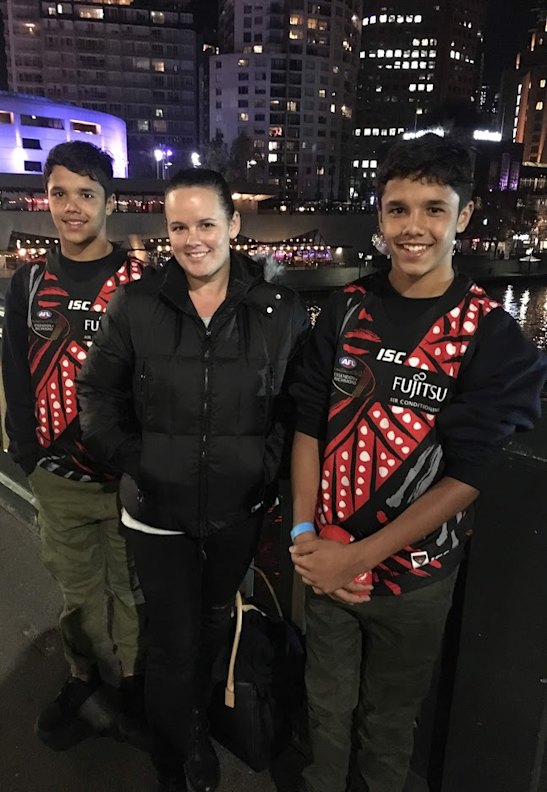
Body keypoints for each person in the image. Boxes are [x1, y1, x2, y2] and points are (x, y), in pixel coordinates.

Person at [289, 133, 547, 792]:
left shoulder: (491, 333)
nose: (413, 227)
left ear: (464, 215)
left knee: (388, 723)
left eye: (434, 209)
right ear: (379, 216)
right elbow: (307, 424)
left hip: (416, 579)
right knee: (323, 709)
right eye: (397, 209)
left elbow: (468, 474)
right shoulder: (346, 308)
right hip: (325, 557)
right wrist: (306, 536)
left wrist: (358, 556)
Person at [76, 168, 309, 792]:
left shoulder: (279, 311)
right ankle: (174, 755)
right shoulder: (136, 304)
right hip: (157, 511)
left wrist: (263, 469)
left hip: (238, 511)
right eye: (179, 227)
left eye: (207, 223)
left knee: (212, 626)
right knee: (172, 641)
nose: (192, 239)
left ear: (234, 225)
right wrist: (141, 460)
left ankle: (197, 728)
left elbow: (296, 408)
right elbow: (96, 394)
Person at [1, 141, 147, 749]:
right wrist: (28, 454)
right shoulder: (30, 282)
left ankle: (134, 692)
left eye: (86, 193)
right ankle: (83, 678)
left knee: (134, 593)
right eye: (59, 193)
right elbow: (16, 371)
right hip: (57, 478)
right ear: (46, 198)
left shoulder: (141, 283)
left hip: (126, 481)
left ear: (110, 202)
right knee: (77, 595)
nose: (72, 206)